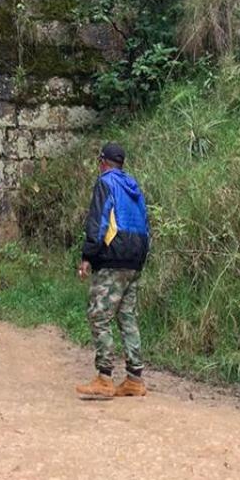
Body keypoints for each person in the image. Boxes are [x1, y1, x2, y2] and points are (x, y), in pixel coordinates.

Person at [75, 141, 150, 400]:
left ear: (103, 162)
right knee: (127, 316)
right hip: (136, 258)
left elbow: (98, 221)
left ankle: (104, 378)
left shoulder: (105, 182)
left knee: (99, 314)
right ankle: (134, 379)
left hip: (112, 257)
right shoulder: (134, 186)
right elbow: (146, 222)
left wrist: (88, 255)